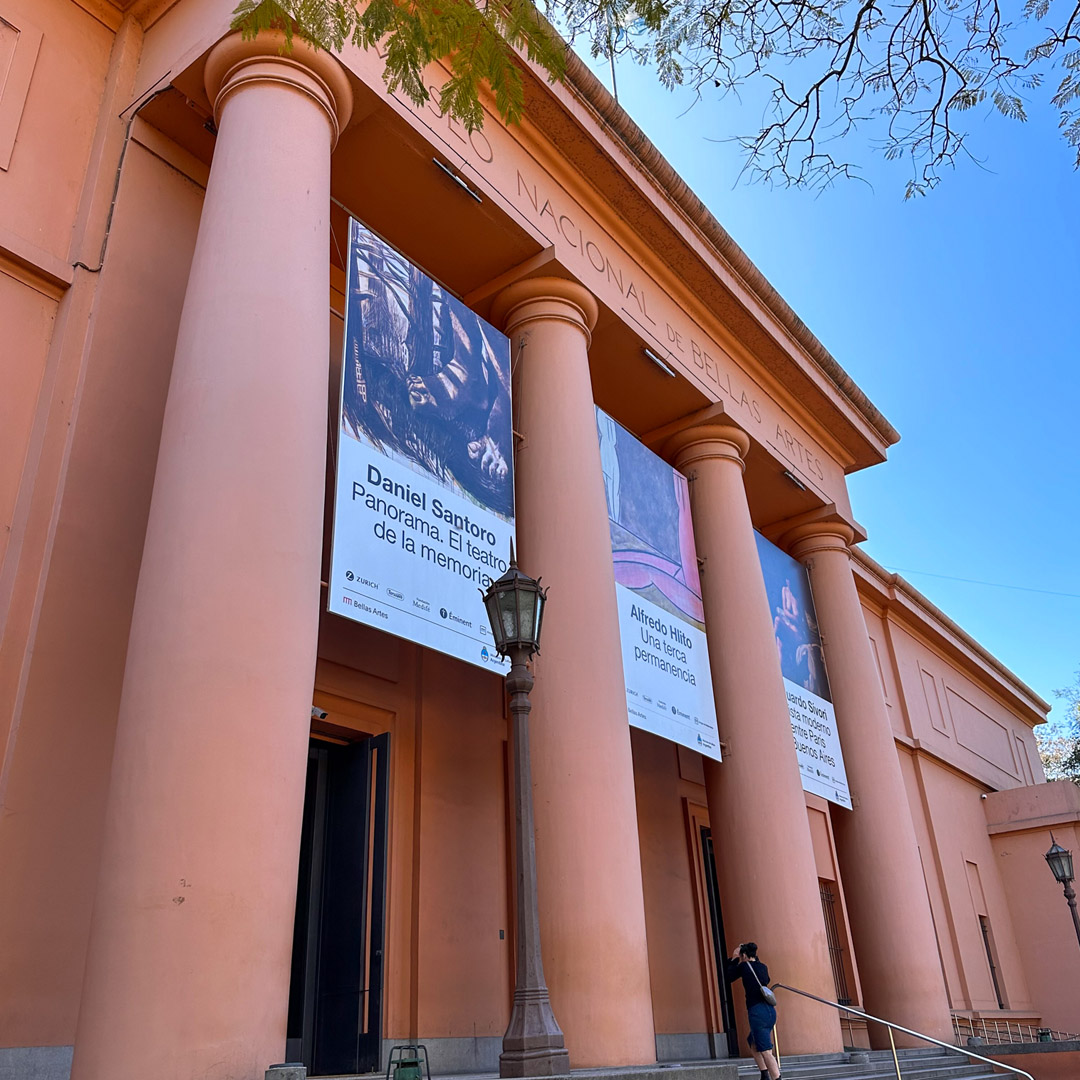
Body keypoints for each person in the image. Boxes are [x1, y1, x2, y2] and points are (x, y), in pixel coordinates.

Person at [726, 942, 782, 1080]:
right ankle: (764, 1075)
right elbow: (766, 979)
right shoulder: (763, 967)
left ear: (744, 955)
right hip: (770, 1011)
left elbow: (729, 976)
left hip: (757, 1012)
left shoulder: (744, 967)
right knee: (752, 1041)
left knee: (766, 1051)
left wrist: (734, 958)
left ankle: (776, 1078)